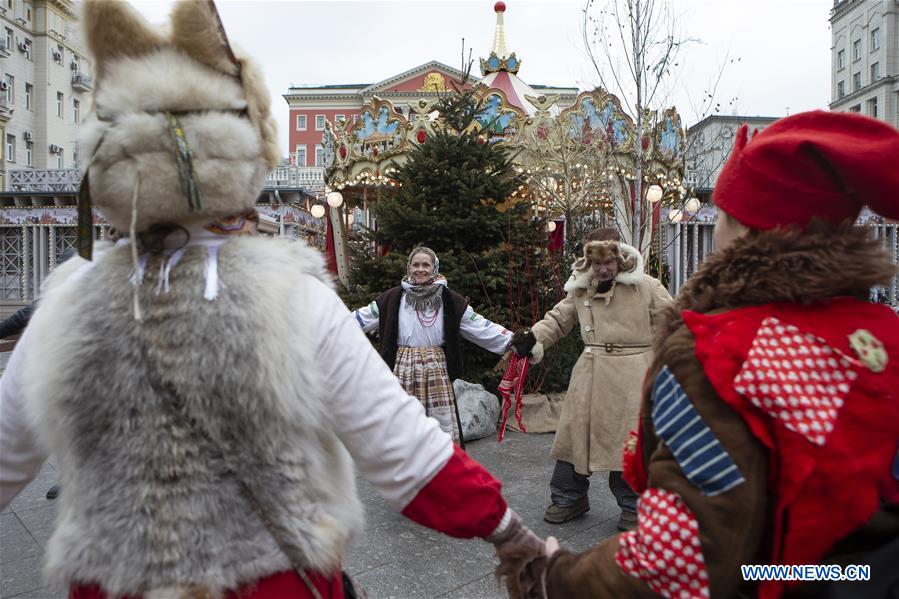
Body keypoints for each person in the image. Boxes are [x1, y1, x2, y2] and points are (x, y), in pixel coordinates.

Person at [0, 2, 542, 598]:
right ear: (242, 146)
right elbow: (402, 449)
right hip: (271, 582)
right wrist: (510, 531)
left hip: (113, 582)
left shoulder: (67, 305)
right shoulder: (290, 296)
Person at [501, 111, 899, 598]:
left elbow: (682, 555)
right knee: (576, 448)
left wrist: (553, 579)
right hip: (848, 579)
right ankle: (570, 496)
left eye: (723, 211)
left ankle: (626, 504)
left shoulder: (717, 352)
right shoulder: (881, 334)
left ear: (740, 223)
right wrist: (534, 338)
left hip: (772, 581)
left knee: (617, 445)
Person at [512, 228, 672, 530]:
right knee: (574, 437)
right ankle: (569, 497)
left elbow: (674, 324)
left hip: (634, 373)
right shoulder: (582, 288)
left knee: (629, 442)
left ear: (620, 256)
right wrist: (533, 338)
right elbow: (559, 319)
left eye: (608, 261)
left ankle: (635, 506)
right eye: (595, 262)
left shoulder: (648, 287)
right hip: (590, 370)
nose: (602, 268)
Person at [353, 246, 513, 444]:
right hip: (401, 368)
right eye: (416, 265)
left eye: (426, 265)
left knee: (438, 429)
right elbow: (359, 319)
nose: (420, 269)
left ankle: (440, 467)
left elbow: (479, 325)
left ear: (434, 268)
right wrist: (325, 325)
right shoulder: (392, 298)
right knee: (401, 424)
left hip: (435, 369)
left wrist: (513, 341)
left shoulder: (449, 299)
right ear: (408, 268)